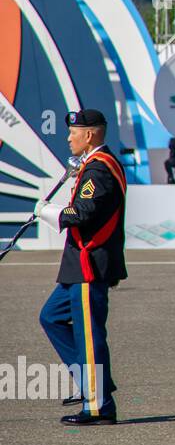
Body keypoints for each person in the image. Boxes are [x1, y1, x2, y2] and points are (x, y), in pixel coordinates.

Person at [34, 110, 127, 426]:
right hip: (79, 265)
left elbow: (83, 214)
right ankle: (92, 382)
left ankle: (99, 405)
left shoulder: (99, 169)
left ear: (90, 135)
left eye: (74, 132)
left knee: (89, 335)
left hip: (90, 263)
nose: (68, 137)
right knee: (51, 317)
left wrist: (50, 212)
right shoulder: (93, 167)